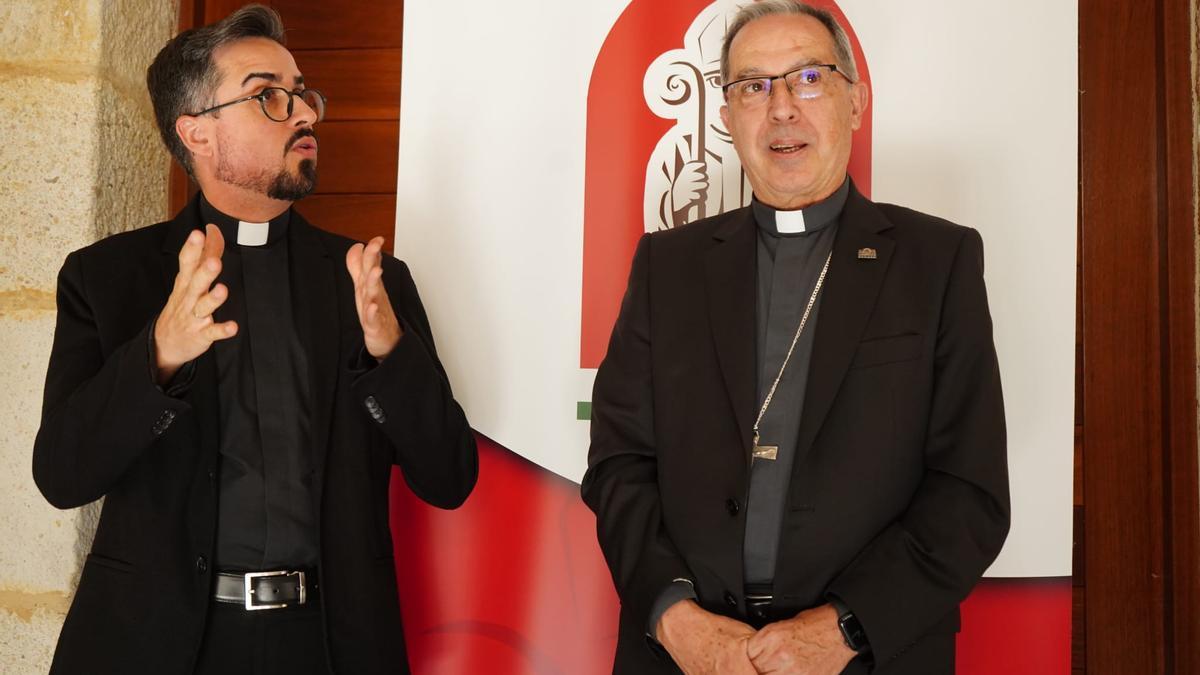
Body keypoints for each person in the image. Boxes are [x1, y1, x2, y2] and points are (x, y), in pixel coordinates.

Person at [32, 5, 477, 674]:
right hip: (158, 645)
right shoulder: (107, 278)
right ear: (197, 133)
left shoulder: (369, 280)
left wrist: (392, 357)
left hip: (331, 645)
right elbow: (62, 475)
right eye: (269, 94)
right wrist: (158, 354)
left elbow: (449, 478)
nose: (304, 113)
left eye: (301, 93)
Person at [582, 2, 1010, 673]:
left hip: (866, 656)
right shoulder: (668, 266)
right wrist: (674, 616)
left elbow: (970, 491)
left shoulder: (937, 261)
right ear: (728, 117)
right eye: (753, 86)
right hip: (686, 657)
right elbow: (617, 463)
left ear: (856, 102)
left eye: (808, 78)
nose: (781, 107)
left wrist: (843, 627)